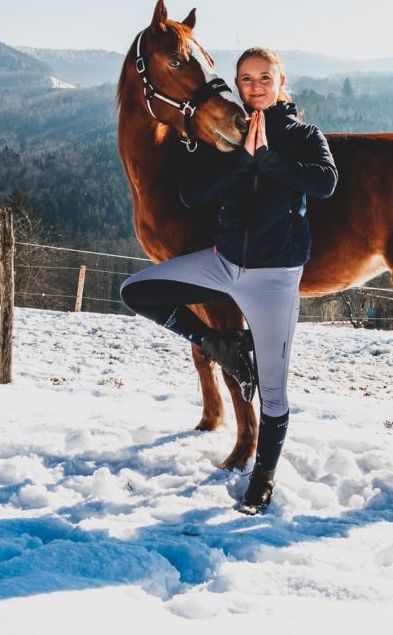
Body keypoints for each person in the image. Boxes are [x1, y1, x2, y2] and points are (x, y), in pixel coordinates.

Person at [120, 47, 338, 514]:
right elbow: (191, 191)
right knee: (137, 291)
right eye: (245, 79)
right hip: (222, 265)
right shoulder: (225, 135)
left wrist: (267, 160)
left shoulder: (303, 136)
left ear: (281, 82)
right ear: (236, 85)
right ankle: (222, 346)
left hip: (273, 279)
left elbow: (324, 183)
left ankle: (262, 480)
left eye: (264, 78)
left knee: (275, 394)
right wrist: (241, 158)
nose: (255, 87)